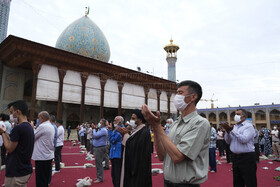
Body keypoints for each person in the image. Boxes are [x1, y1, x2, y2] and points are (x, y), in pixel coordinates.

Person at [142, 80, 210, 187]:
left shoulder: (200, 123)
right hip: (168, 182)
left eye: (180, 93)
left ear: (193, 97)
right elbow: (162, 155)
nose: (176, 97)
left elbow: (177, 157)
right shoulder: (175, 124)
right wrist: (155, 127)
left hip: (185, 185)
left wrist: (158, 126)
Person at [0, 100, 34, 186]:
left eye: (11, 112)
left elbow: (9, 148)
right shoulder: (28, 126)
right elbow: (12, 140)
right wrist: (5, 133)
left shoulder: (19, 128)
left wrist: (2, 133)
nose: (11, 115)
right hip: (24, 169)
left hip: (16, 171)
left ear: (18, 112)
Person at [221, 109, 257, 187]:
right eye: (235, 114)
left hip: (247, 157)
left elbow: (244, 139)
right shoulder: (235, 127)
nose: (235, 116)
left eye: (238, 114)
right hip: (235, 158)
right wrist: (227, 131)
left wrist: (232, 131)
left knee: (250, 181)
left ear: (244, 116)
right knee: (237, 182)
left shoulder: (248, 126)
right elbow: (228, 141)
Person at [118, 109, 152, 187]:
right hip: (134, 167)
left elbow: (134, 148)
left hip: (139, 170)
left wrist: (126, 135)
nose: (131, 120)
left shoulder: (144, 132)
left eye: (133, 118)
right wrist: (127, 134)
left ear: (140, 120)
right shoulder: (137, 130)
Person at [32, 111, 55, 187]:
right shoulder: (50, 125)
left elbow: (33, 136)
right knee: (44, 178)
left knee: (40, 179)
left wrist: (32, 127)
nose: (38, 119)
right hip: (48, 155)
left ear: (42, 117)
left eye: (39, 117)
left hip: (42, 156)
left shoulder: (43, 126)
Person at [108, 116, 124, 187]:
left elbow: (113, 140)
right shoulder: (116, 129)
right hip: (113, 154)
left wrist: (110, 130)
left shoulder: (122, 129)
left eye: (115, 120)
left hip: (118, 154)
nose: (114, 122)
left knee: (117, 175)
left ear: (120, 122)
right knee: (113, 175)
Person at [92, 119, 108, 183]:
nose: (99, 124)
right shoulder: (100, 129)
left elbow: (95, 136)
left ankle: (100, 178)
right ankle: (99, 176)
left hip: (100, 148)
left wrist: (93, 130)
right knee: (98, 162)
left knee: (99, 163)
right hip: (98, 147)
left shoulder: (104, 130)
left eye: (100, 123)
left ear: (103, 124)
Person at [48, 115, 57, 185]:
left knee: (48, 165)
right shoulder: (54, 126)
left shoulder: (52, 127)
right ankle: (48, 180)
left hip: (51, 147)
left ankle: (48, 180)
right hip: (52, 146)